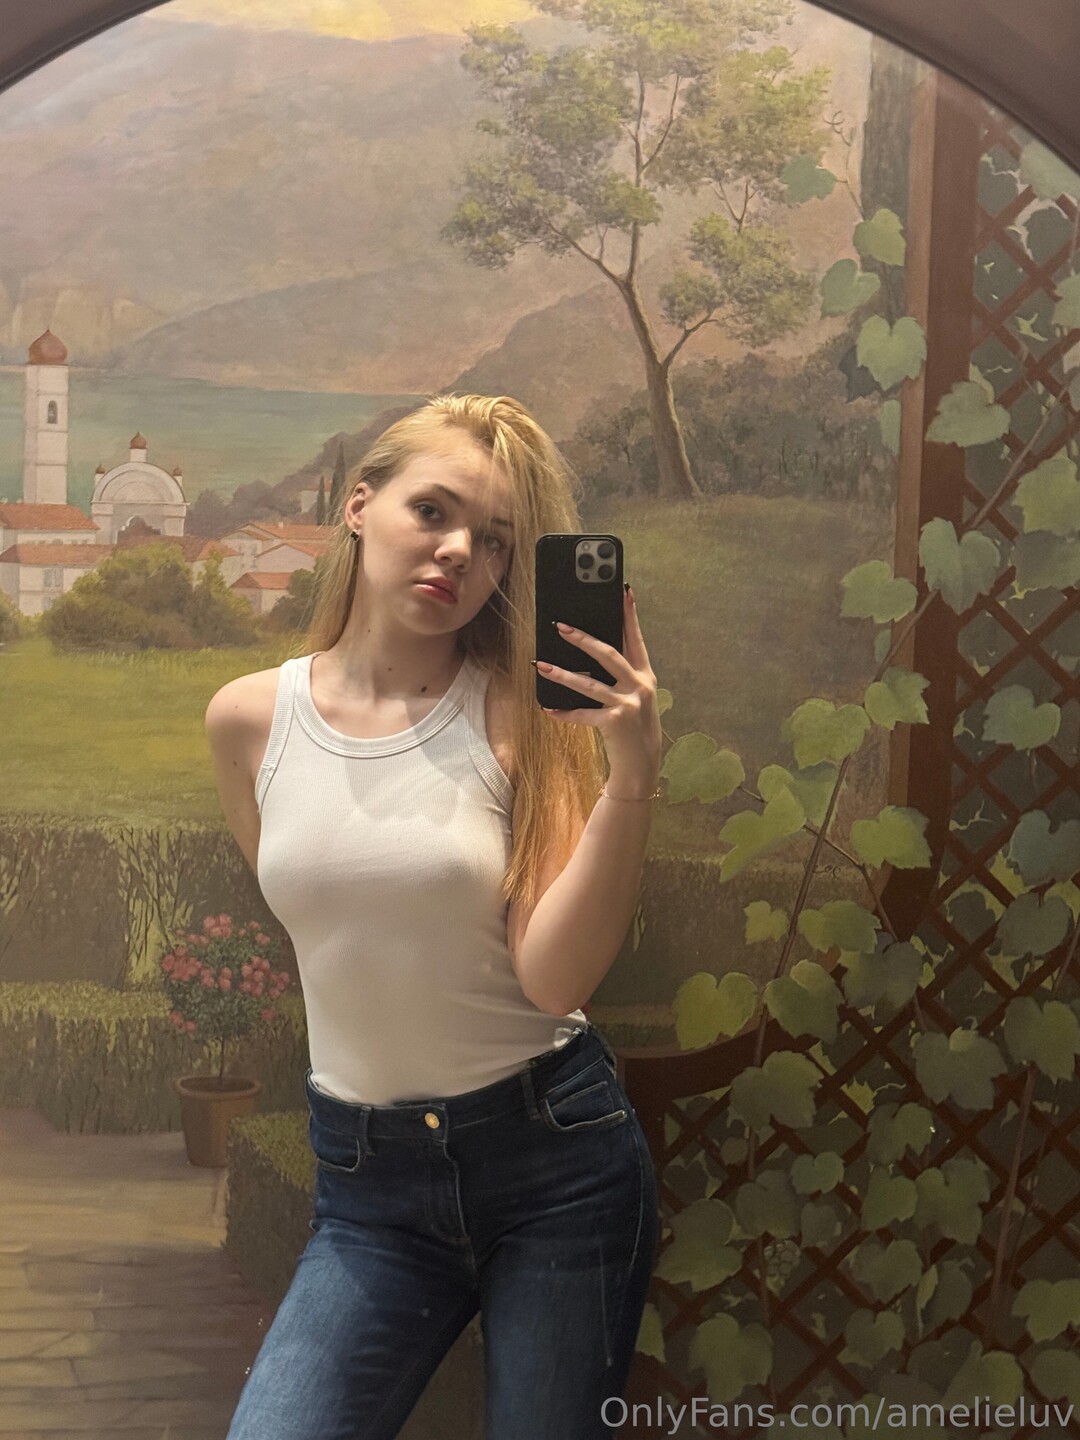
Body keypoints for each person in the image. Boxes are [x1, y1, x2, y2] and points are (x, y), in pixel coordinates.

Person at [205, 393, 663, 1440]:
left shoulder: (522, 716)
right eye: (433, 511)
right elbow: (316, 915)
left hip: (555, 1168)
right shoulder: (247, 722)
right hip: (368, 1191)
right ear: (358, 505)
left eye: (494, 540)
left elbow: (555, 981)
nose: (460, 551)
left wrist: (631, 779)